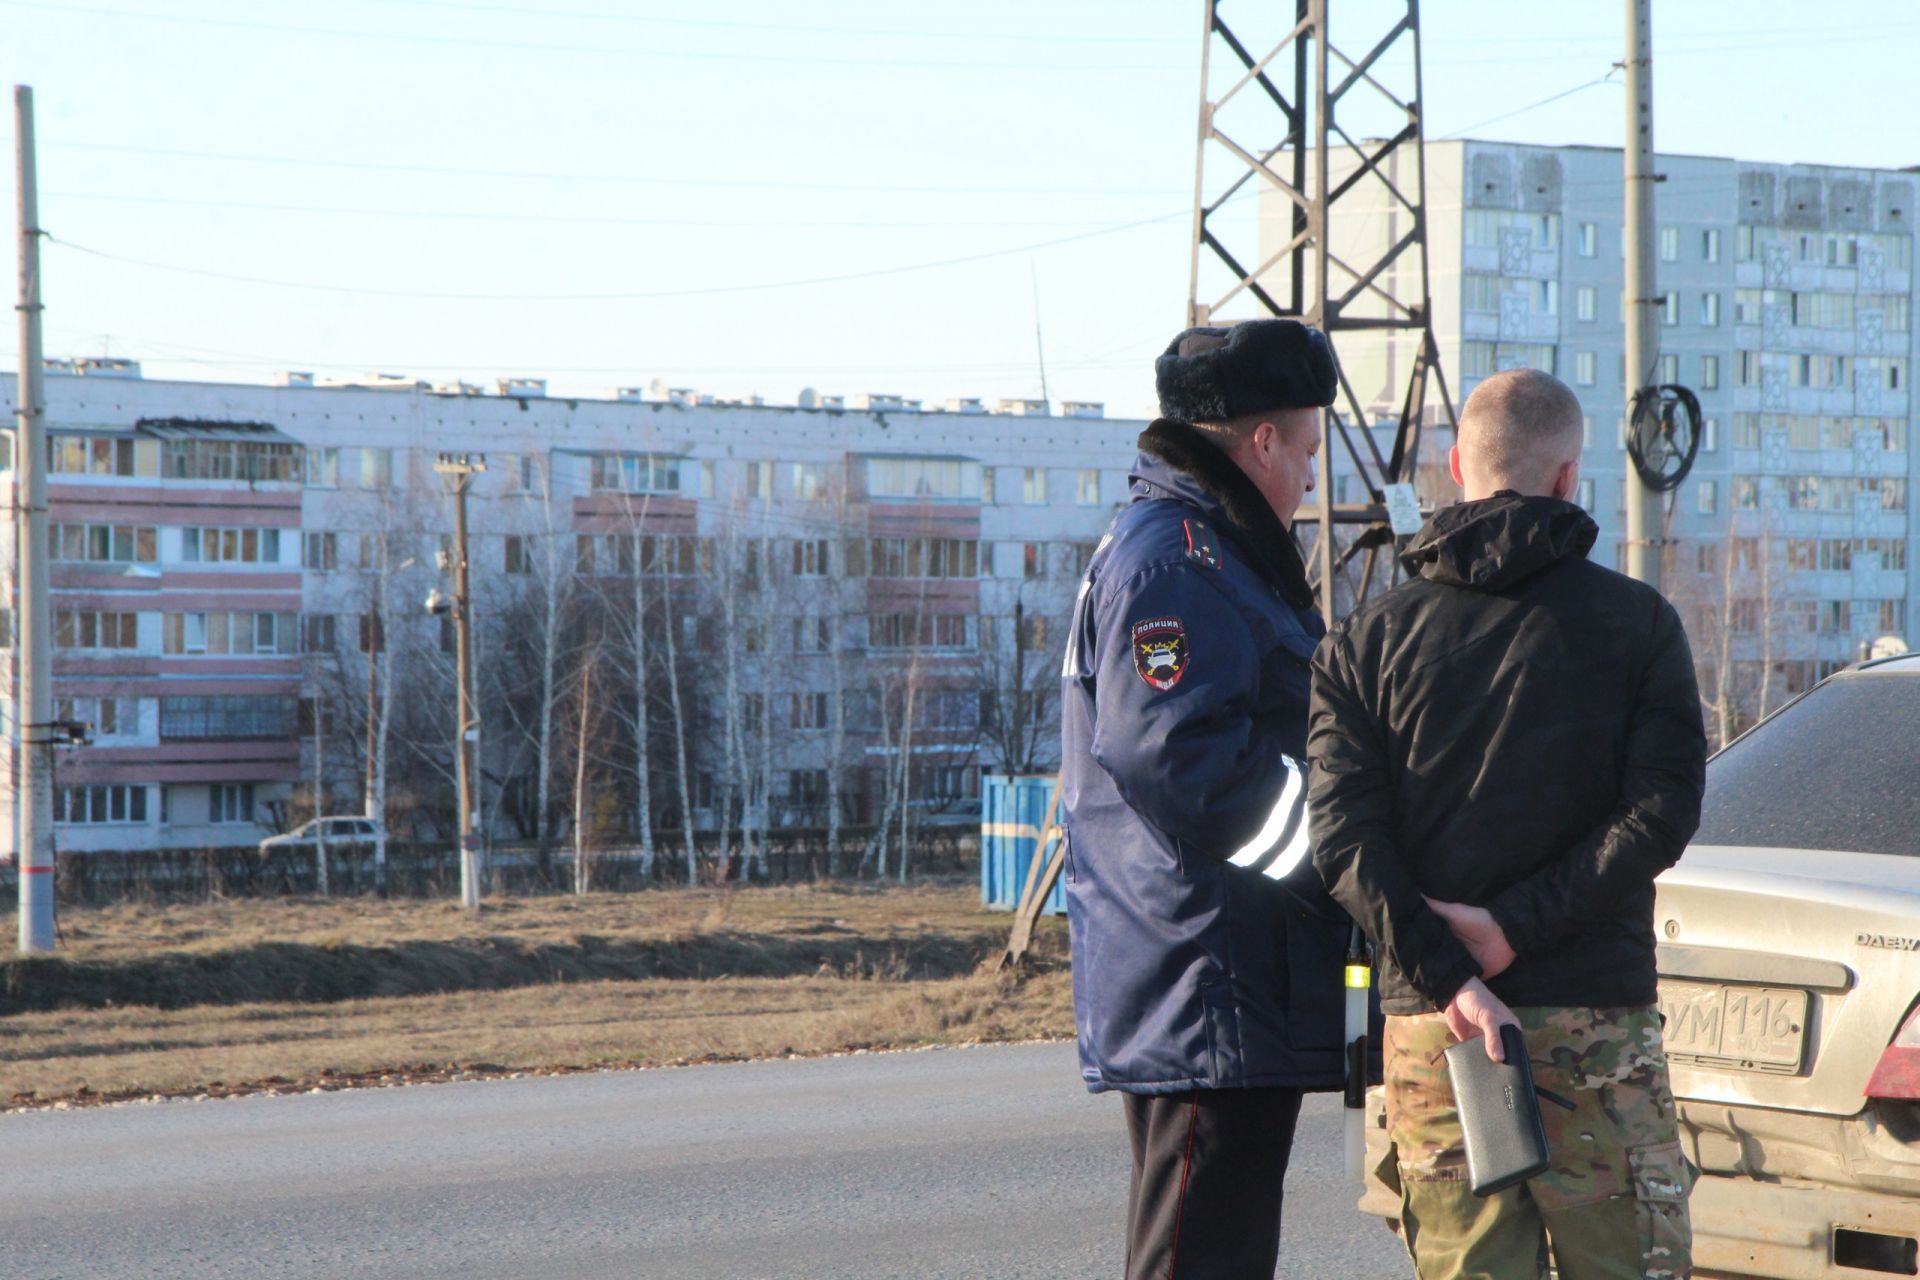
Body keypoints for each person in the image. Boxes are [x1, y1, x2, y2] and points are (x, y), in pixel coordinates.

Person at [1307, 367, 1707, 1279]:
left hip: (1438, 1032)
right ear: (1569, 478)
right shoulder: (1639, 625)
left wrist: (1453, 974)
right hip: (1595, 1021)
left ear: (1455, 466)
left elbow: (1341, 838)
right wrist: (1514, 930)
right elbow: (1663, 809)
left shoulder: (1363, 642)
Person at [1060, 319, 1354, 1280]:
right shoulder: (1180, 560)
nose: (1311, 480)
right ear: (1261, 441)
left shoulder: (1207, 547)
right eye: (1307, 451)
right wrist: (1332, 855)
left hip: (1220, 970)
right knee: (1199, 1255)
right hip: (1209, 977)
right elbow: (1178, 756)